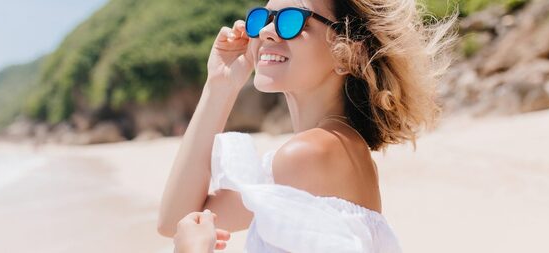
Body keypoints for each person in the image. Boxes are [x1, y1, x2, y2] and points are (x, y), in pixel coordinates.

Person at [158, 0, 456, 252]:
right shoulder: (331, 150)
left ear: (349, 53)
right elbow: (178, 221)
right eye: (262, 17)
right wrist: (220, 85)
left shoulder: (307, 156)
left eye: (291, 20)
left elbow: (183, 225)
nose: (264, 31)